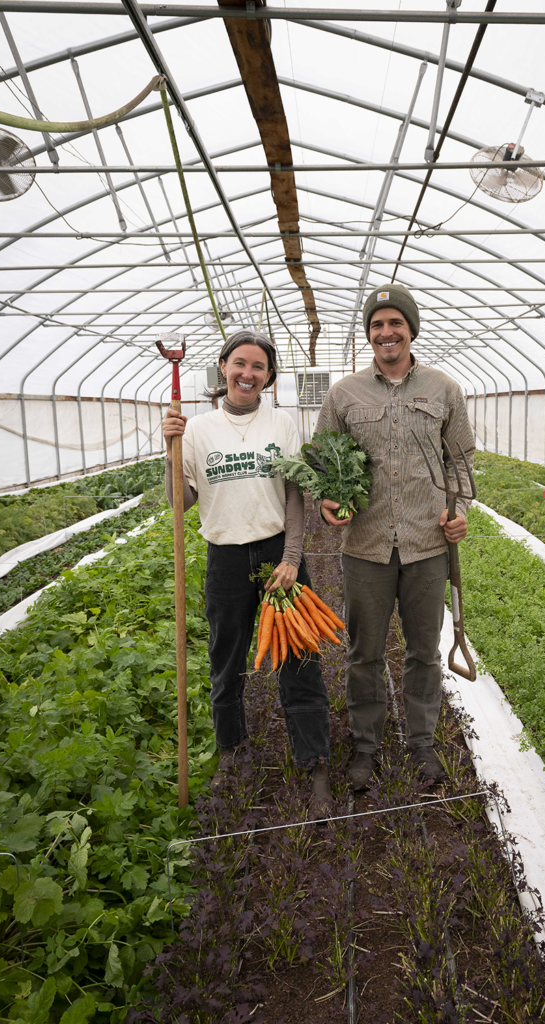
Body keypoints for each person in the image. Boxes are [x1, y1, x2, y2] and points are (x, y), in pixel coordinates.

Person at [163, 329, 332, 815]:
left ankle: (313, 754)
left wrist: (293, 558)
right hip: (226, 558)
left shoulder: (282, 424)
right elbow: (182, 502)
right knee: (227, 657)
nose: (247, 373)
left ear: (269, 376)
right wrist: (170, 453)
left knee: (299, 653)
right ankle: (233, 752)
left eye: (258, 367)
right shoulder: (195, 429)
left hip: (278, 552)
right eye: (240, 363)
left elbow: (296, 494)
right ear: (223, 367)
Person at [315, 284, 475, 790]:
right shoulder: (344, 394)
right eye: (377, 325)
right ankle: (366, 745)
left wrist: (460, 511)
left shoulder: (443, 389)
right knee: (364, 653)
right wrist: (326, 501)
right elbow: (323, 458)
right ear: (369, 334)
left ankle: (421, 742)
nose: (386, 332)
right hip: (365, 546)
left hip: (429, 544)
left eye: (395, 323)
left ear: (411, 329)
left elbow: (462, 461)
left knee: (424, 650)